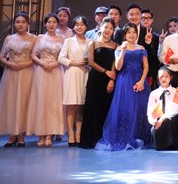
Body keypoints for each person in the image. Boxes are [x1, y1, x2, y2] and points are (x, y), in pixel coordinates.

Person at [96, 23, 151, 151]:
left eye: (134, 32)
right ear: (125, 35)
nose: (132, 35)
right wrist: (123, 52)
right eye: (129, 32)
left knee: (140, 108)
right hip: (125, 80)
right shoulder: (120, 48)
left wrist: (142, 81)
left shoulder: (141, 47)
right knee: (126, 108)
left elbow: (146, 66)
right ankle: (125, 137)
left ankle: (138, 136)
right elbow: (118, 67)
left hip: (139, 80)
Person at [0, 12, 36, 147]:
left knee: (24, 102)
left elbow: (36, 57)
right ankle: (13, 134)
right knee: (11, 102)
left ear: (28, 23)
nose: (20, 24)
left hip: (27, 72)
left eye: (23, 22)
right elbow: (1, 56)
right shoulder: (9, 38)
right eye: (17, 22)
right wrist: (9, 63)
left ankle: (21, 134)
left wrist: (25, 64)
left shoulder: (34, 38)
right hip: (11, 73)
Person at [26, 13, 66, 147]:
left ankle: (49, 134)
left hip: (56, 71)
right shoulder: (40, 37)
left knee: (53, 101)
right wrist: (42, 63)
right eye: (49, 22)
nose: (51, 24)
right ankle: (41, 134)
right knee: (41, 101)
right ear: (45, 24)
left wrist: (55, 63)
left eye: (54, 22)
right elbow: (33, 55)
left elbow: (64, 56)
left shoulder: (62, 39)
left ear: (57, 24)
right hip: (41, 71)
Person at [80, 17, 118, 149]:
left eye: (111, 28)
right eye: (106, 27)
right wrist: (106, 71)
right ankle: (88, 140)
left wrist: (112, 79)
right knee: (91, 108)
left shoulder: (115, 45)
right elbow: (91, 62)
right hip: (95, 78)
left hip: (109, 80)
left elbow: (114, 65)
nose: (108, 30)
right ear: (101, 27)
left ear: (113, 31)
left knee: (105, 108)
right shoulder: (93, 43)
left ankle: (100, 138)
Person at [58, 15, 91, 146]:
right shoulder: (68, 41)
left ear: (86, 27)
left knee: (81, 106)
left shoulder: (90, 41)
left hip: (85, 73)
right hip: (72, 73)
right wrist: (74, 62)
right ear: (73, 27)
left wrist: (88, 63)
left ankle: (79, 133)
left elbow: (92, 59)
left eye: (82, 24)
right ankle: (71, 133)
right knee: (71, 105)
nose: (79, 27)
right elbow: (61, 58)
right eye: (77, 25)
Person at [147, 68, 178, 151]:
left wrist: (162, 119)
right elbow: (150, 110)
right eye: (161, 77)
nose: (164, 79)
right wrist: (153, 121)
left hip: (171, 120)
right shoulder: (153, 93)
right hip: (158, 121)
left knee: (170, 121)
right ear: (158, 78)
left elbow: (175, 110)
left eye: (166, 76)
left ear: (171, 77)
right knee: (155, 131)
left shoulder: (177, 92)